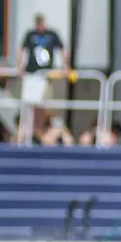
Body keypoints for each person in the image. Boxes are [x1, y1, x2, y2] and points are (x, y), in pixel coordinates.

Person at [14, 14, 69, 146]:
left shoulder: (52, 34)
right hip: (31, 73)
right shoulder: (30, 34)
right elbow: (22, 50)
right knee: (28, 102)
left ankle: (38, 129)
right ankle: (29, 130)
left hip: (45, 74)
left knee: (41, 103)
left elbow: (62, 49)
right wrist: (19, 67)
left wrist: (65, 66)